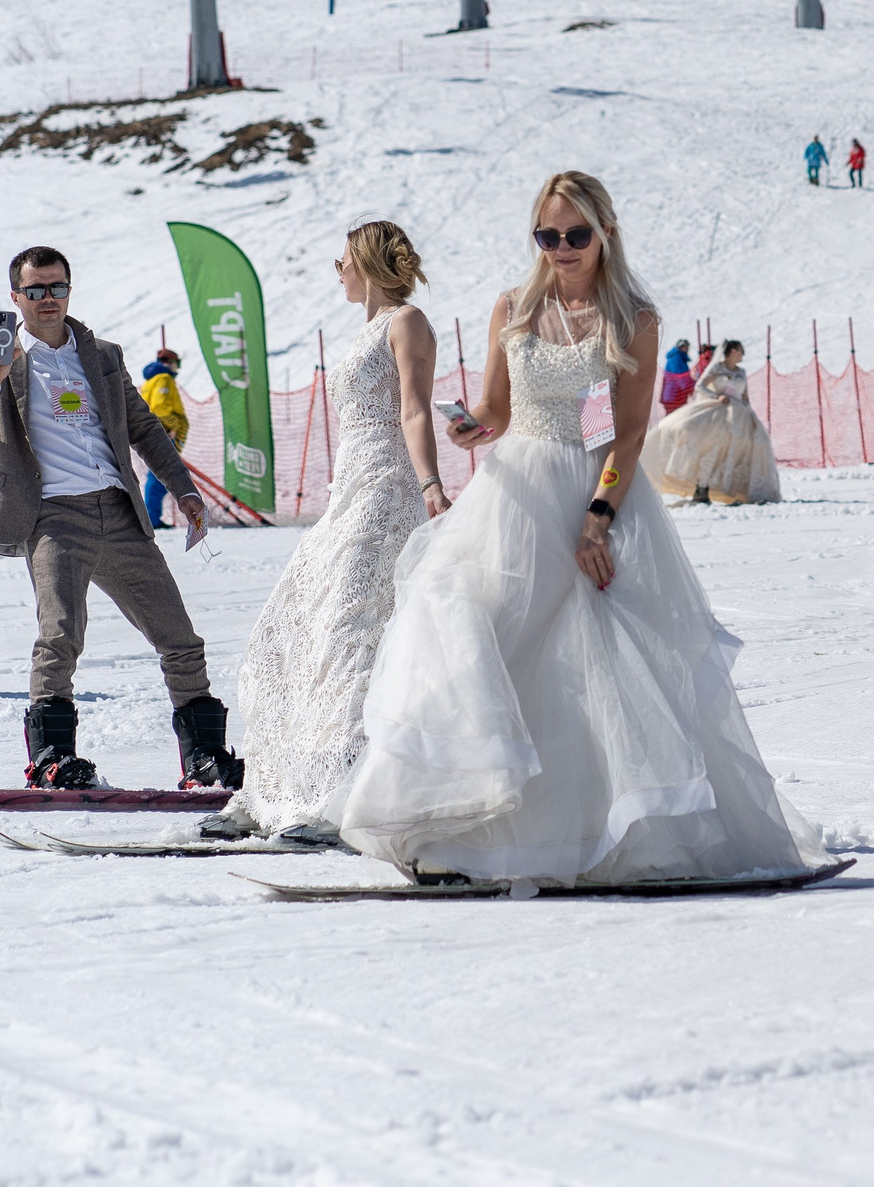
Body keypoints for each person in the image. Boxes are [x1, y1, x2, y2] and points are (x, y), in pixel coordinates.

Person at [338, 171, 824, 885]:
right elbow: (497, 408)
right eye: (548, 235)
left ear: (605, 233)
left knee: (595, 661)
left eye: (576, 235)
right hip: (514, 492)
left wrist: (599, 519)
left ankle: (600, 835)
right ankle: (462, 833)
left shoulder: (633, 316)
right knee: (474, 628)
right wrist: (476, 429)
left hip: (593, 493)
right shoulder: (514, 306)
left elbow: (628, 434)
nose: (561, 248)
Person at [0, 245, 240, 789]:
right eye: (35, 290)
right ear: (15, 297)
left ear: (69, 290)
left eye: (57, 287)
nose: (47, 299)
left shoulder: (102, 354)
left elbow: (146, 428)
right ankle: (53, 756)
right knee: (60, 636)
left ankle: (204, 756)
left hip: (119, 511)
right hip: (54, 516)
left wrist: (184, 490)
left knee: (179, 637)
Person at [208, 222, 447, 844]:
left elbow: (415, 409)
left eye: (340, 261)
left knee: (349, 636)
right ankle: (265, 791)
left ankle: (335, 800)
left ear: (363, 263)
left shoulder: (407, 322)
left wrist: (430, 487)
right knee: (283, 633)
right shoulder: (365, 330)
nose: (336, 272)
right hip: (348, 496)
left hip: (386, 492)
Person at [647, 338, 781, 504]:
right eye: (740, 351)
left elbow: (745, 396)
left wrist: (751, 416)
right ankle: (702, 486)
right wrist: (717, 396)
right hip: (718, 411)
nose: (742, 355)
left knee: (745, 448)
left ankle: (737, 489)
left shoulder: (741, 372)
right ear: (732, 352)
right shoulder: (717, 368)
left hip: (740, 415)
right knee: (709, 445)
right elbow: (700, 386)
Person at [137, 350, 188, 529]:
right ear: (170, 362)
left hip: (154, 432)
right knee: (159, 477)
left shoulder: (151, 380)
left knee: (157, 475)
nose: (177, 368)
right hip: (164, 434)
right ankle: (152, 518)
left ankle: (152, 516)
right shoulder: (164, 379)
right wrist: (173, 425)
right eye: (177, 363)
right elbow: (160, 407)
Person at [658, 339, 698, 413]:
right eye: (684, 347)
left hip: (672, 395)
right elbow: (680, 377)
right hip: (674, 396)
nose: (686, 349)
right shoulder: (676, 358)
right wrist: (694, 386)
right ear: (680, 347)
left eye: (687, 347)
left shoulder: (678, 357)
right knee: (674, 419)